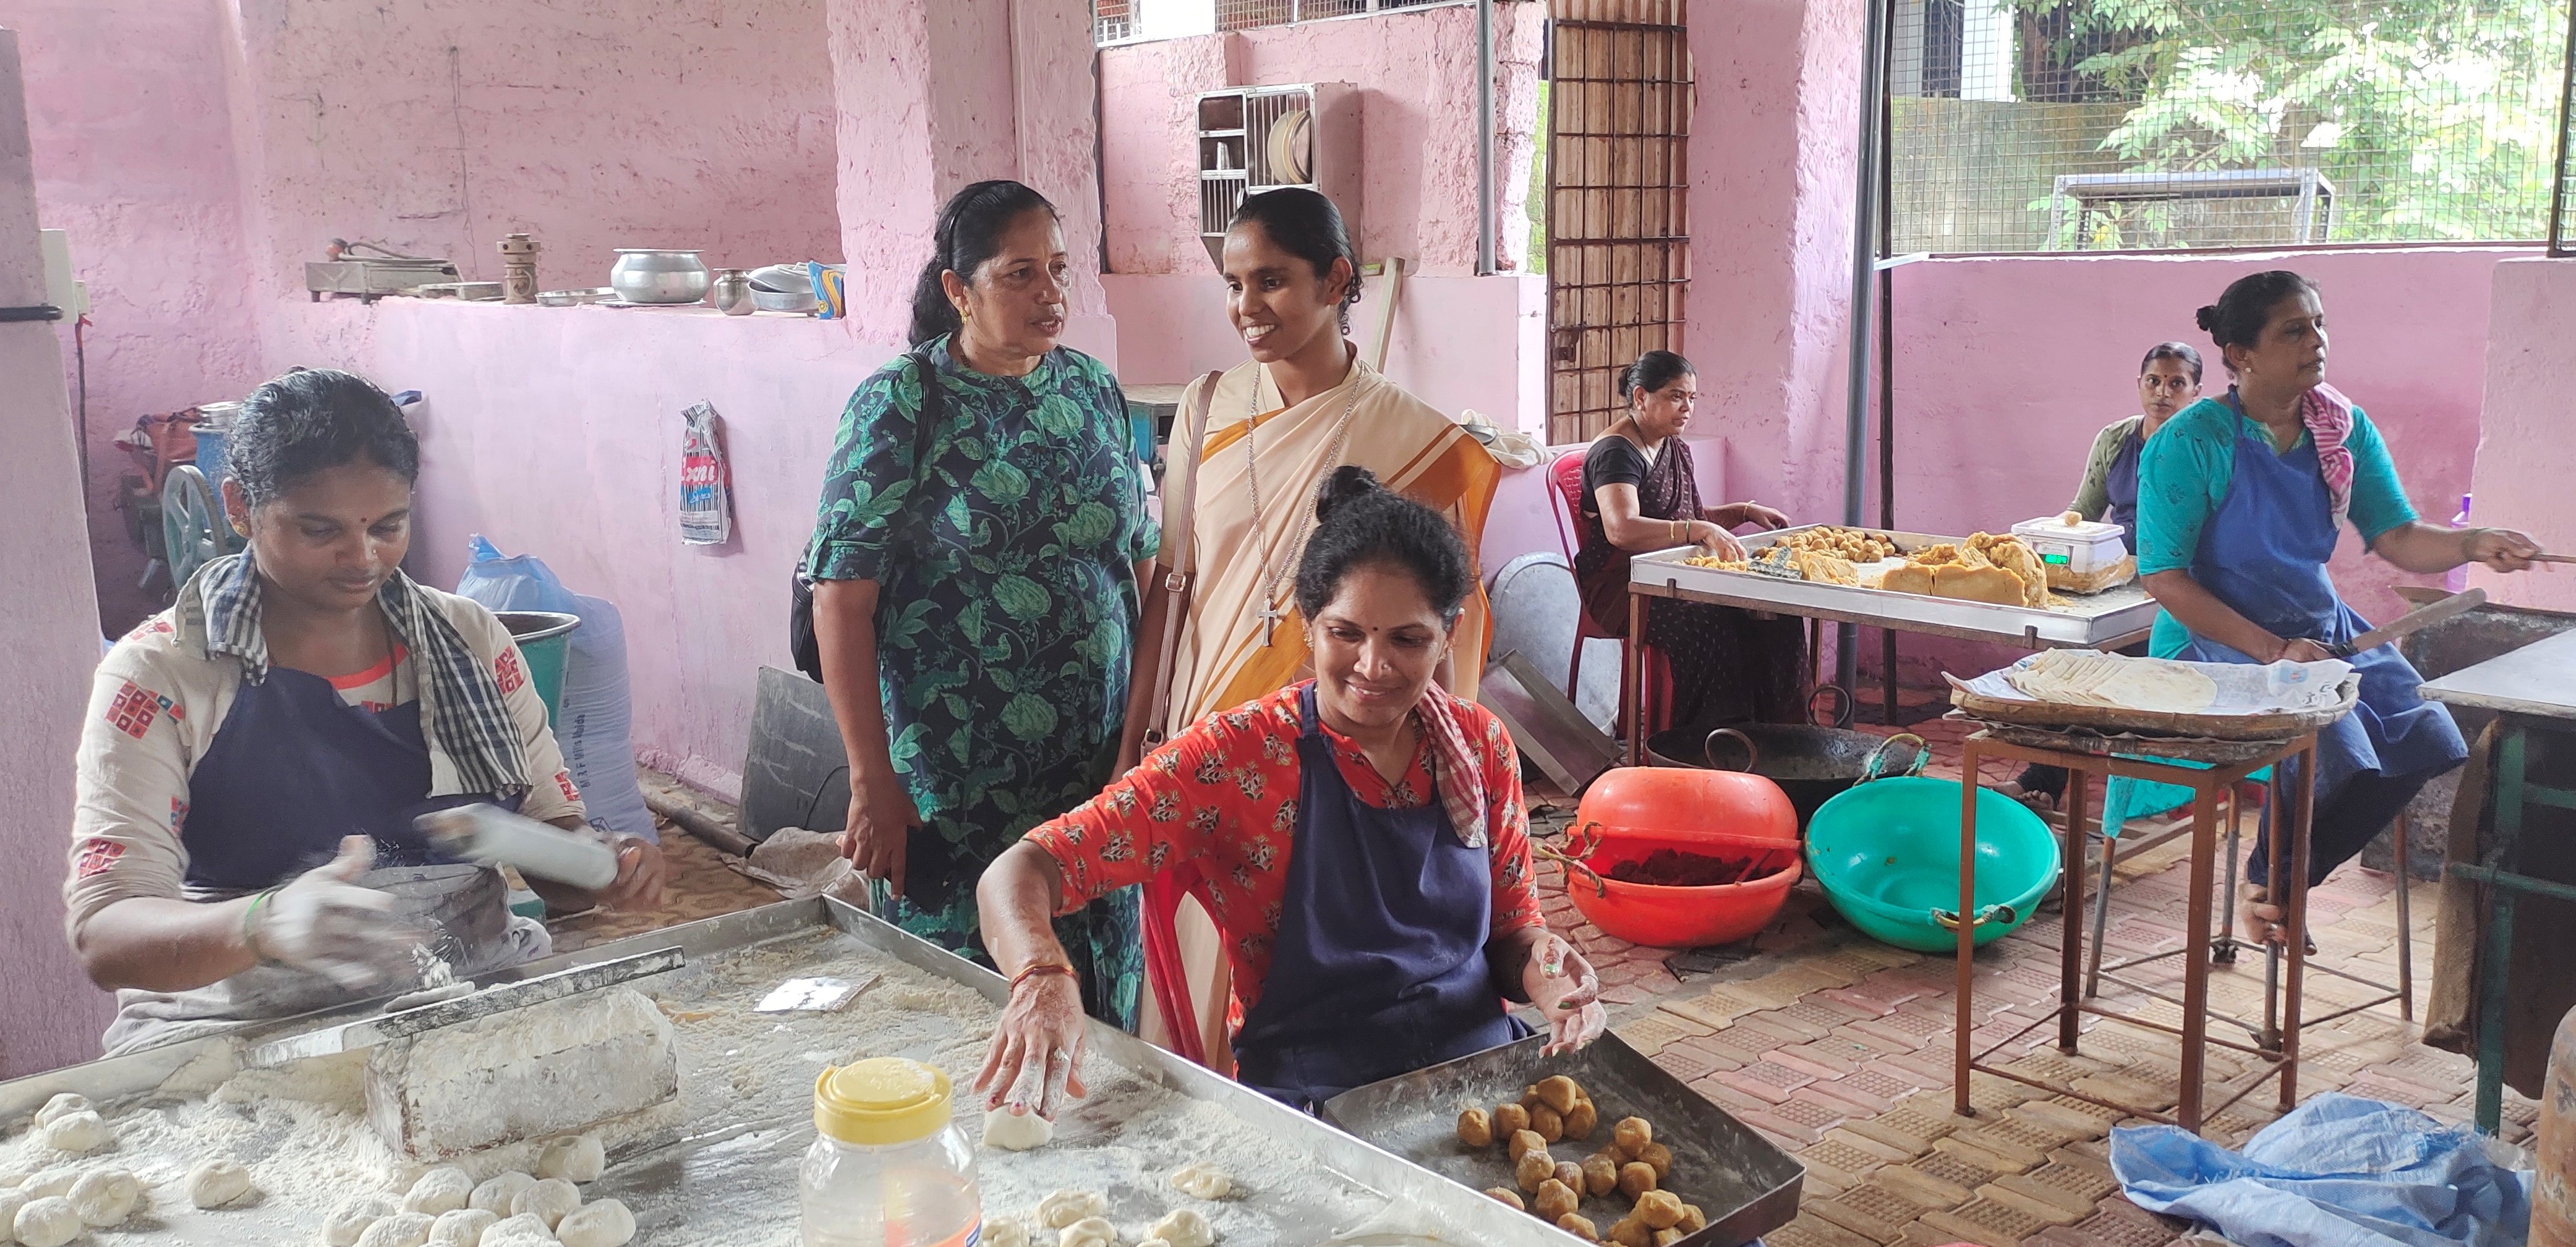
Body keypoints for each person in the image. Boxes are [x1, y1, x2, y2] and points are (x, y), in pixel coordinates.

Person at [975, 469, 1608, 1118]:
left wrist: (1542, 968)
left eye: (1407, 639)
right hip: (1316, 1103)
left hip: (1478, 1081)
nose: (1373, 665)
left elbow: (1511, 933)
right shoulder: (1238, 757)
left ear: (1449, 632)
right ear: (1307, 623)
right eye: (1346, 633)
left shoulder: (1477, 746)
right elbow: (1020, 870)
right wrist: (1040, 976)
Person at [65, 368, 664, 1055]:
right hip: (238, 1031)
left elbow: (559, 855)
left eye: (388, 525)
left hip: (462, 1003)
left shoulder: (469, 642)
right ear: (239, 506)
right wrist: (261, 923)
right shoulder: (163, 674)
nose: (362, 557)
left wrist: (600, 862)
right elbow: (105, 934)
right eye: (319, 529)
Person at [1131, 186, 1501, 1062]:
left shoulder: (1411, 437)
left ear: (1336, 279)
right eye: (1232, 284)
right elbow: (1174, 586)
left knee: (1301, 997)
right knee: (1192, 990)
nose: (1245, 308)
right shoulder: (1205, 406)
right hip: (1208, 733)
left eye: (1272, 281)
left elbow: (1439, 626)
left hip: (1337, 759)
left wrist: (1431, 787)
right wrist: (1137, 742)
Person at [805, 180, 1159, 1031]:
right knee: (969, 1024)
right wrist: (871, 780)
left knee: (1101, 1013)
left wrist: (1139, 746)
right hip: (953, 789)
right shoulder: (900, 406)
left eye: (1059, 271)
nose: (1051, 295)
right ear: (959, 290)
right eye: (1021, 274)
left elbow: (1140, 579)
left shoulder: (1093, 393)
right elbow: (841, 600)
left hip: (1092, 782)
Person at [2138, 271, 2542, 944]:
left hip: (2319, 628)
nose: (2316, 340)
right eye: (2293, 329)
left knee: (2427, 737)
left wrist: (2475, 540)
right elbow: (2164, 578)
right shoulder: (2191, 442)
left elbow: (2397, 535)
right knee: (2341, 749)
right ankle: (2271, 888)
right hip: (2219, 638)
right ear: (2239, 354)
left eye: (2318, 323)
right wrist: (2271, 649)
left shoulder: (2338, 427)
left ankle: (2276, 883)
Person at [2008, 341, 2206, 809]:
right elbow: (2083, 513)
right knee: (2064, 658)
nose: (2163, 392)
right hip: (2113, 578)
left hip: (2177, 584)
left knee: (2118, 671)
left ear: (2197, 392)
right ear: (2139, 385)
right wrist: (2045, 545)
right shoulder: (2116, 440)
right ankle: (2046, 778)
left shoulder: (2204, 447)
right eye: (2154, 381)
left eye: (2177, 383)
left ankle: (2134, 785)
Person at [1571, 351, 1803, 728]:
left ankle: (1773, 732)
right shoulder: (1616, 452)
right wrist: (1699, 530)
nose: (1687, 408)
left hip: (1676, 572)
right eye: (1676, 396)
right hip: (1626, 585)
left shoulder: (1671, 444)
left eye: (1692, 398)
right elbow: (1622, 528)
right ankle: (1706, 742)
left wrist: (1743, 512)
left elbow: (1687, 519)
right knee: (1712, 623)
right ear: (1642, 397)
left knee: (1774, 612)